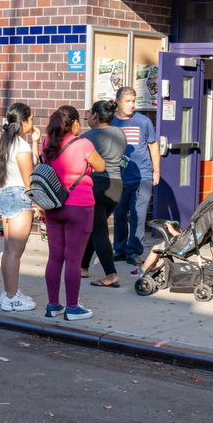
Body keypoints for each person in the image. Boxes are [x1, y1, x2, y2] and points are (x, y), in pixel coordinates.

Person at [40, 105, 105, 320]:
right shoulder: (84, 144)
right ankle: (73, 307)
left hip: (53, 205)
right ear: (75, 123)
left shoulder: (46, 143)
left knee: (55, 257)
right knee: (73, 259)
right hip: (79, 206)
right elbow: (101, 166)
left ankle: (52, 305)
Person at [0, 102, 37, 311]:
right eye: (31, 119)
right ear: (24, 121)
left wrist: (35, 143)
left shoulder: (7, 142)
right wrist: (38, 203)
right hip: (20, 197)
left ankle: (9, 292)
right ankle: (12, 296)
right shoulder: (22, 146)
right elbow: (30, 179)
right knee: (14, 252)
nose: (33, 123)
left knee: (8, 250)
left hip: (5, 195)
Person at [79, 99, 127, 287]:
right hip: (117, 186)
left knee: (99, 231)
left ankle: (110, 274)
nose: (88, 117)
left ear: (95, 115)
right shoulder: (120, 134)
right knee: (94, 227)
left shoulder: (88, 137)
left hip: (98, 186)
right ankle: (83, 267)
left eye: (90, 113)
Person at [111, 86, 160, 267]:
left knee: (138, 216)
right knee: (120, 214)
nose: (132, 105)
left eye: (134, 101)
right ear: (117, 101)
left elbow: (153, 145)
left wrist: (156, 171)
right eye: (127, 101)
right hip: (119, 177)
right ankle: (120, 249)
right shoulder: (111, 122)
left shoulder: (144, 121)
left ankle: (134, 251)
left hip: (142, 176)